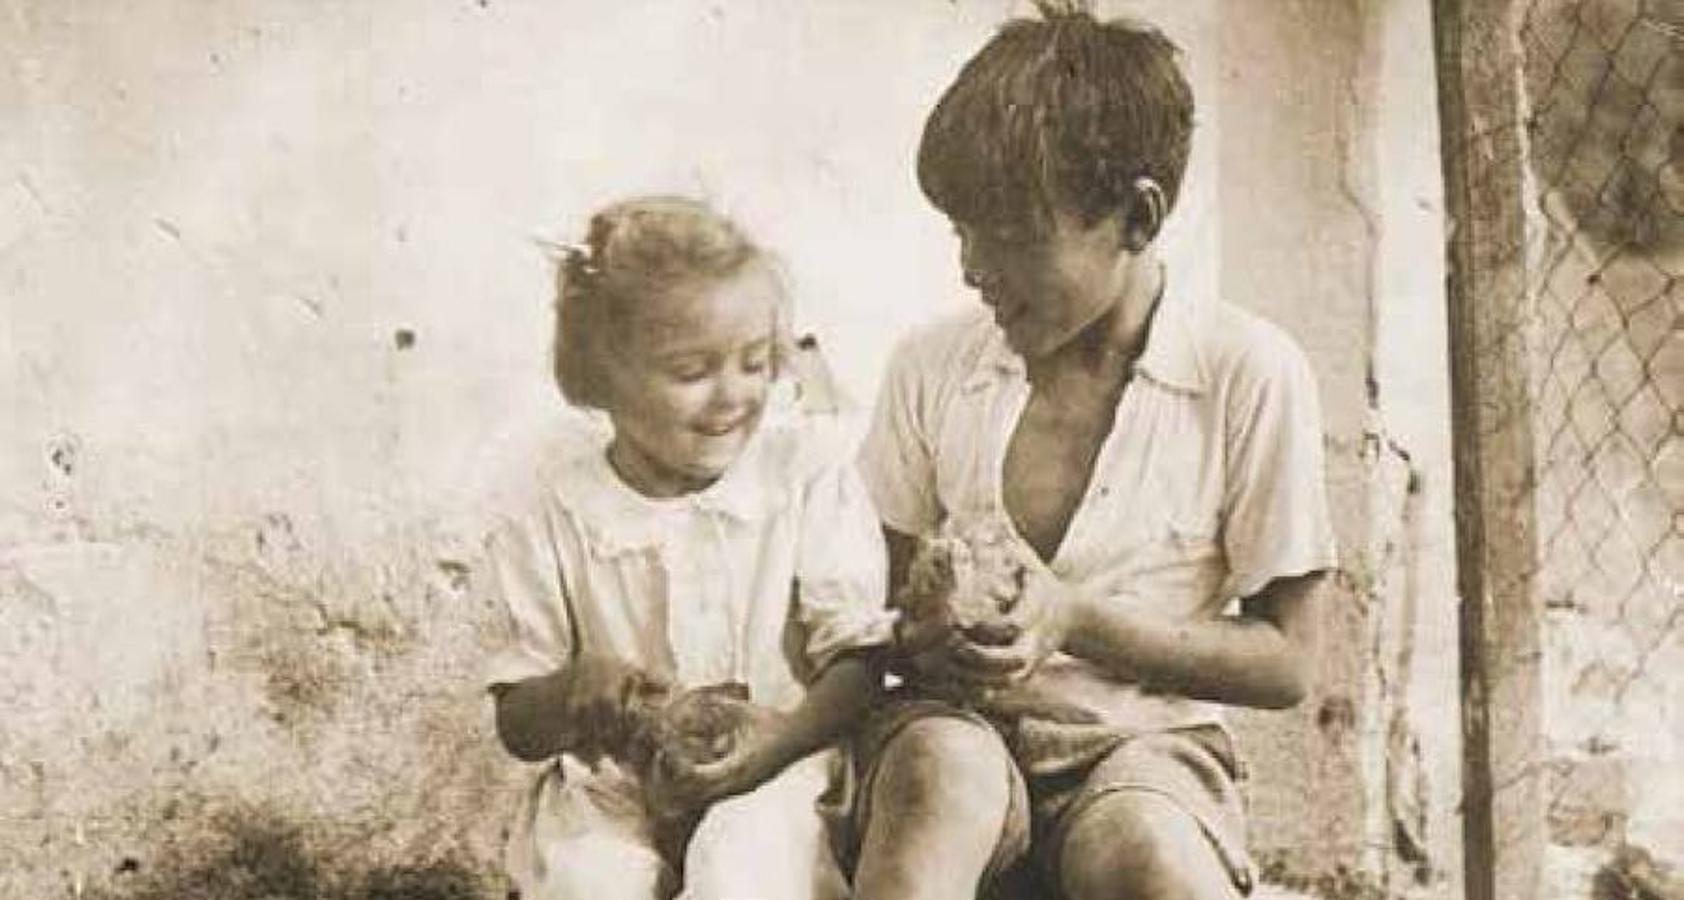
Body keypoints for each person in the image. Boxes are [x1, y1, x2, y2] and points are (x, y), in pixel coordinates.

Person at [854, 5, 1339, 899]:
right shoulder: (932, 366)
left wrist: (1075, 620)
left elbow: (1289, 661)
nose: (971, 266)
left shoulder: (1248, 374)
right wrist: (923, 619)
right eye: (961, 230)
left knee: (1151, 853)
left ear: (1137, 216)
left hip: (1141, 748)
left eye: (1007, 234)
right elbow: (870, 606)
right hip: (958, 730)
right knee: (937, 785)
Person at [483, 195, 896, 900]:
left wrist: (778, 741)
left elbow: (858, 660)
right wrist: (574, 689)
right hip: (615, 792)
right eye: (691, 371)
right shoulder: (553, 501)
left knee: (743, 863)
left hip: (780, 765)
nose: (732, 394)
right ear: (600, 378)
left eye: (755, 362)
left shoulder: (801, 470)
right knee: (592, 879)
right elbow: (519, 723)